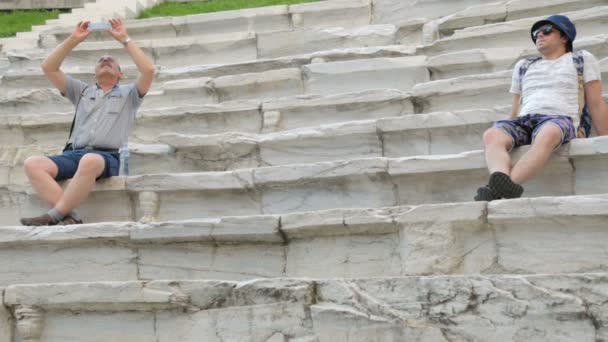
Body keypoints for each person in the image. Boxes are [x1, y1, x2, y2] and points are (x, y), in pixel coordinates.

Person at [20, 19, 155, 225]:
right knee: (33, 164)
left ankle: (54, 215)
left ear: (120, 74)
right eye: (101, 60)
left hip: (107, 157)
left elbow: (148, 71)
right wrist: (73, 39)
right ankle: (69, 216)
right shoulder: (82, 91)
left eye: (111, 60)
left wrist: (124, 39)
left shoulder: (130, 94)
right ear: (95, 73)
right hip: (74, 154)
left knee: (90, 159)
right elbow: (48, 67)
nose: (106, 59)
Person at [475, 14, 608, 201]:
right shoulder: (523, 66)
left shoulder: (581, 59)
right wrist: (507, 127)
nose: (539, 35)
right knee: (491, 134)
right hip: (525, 119)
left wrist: (604, 139)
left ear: (564, 37)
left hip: (559, 118)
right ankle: (501, 183)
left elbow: (595, 102)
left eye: (546, 31)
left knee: (549, 134)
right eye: (536, 33)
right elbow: (515, 107)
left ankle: (496, 190)